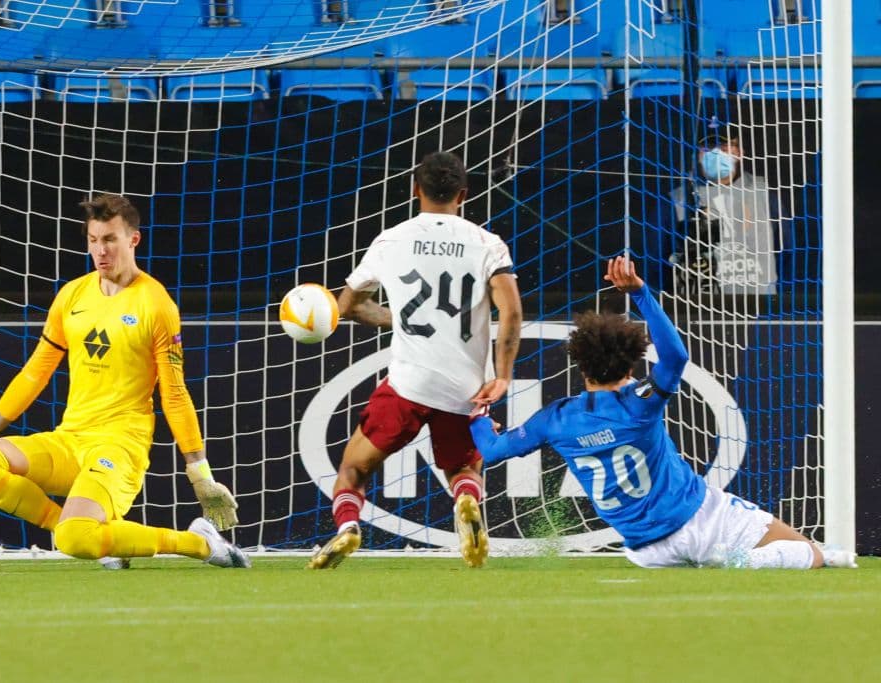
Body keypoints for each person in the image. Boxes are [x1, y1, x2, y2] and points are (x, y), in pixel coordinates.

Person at [470, 255, 857, 570]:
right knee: (810, 553)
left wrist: (477, 418)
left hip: (648, 553)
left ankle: (754, 559)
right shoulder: (640, 403)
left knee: (813, 554)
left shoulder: (555, 419)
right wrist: (639, 292)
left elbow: (493, 451)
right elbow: (676, 356)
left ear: (581, 365)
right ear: (631, 363)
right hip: (702, 518)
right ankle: (744, 560)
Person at [0, 193, 249, 569]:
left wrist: (200, 475)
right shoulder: (72, 295)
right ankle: (91, 534)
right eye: (93, 240)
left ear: (133, 239)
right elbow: (36, 371)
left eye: (110, 240)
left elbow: (175, 393)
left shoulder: (156, 304)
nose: (101, 251)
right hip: (70, 440)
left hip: (119, 447)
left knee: (75, 539)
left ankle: (198, 543)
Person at [307, 151, 523, 569]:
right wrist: (504, 376)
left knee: (353, 468)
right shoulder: (487, 243)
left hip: (407, 385)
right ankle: (465, 500)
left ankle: (347, 528)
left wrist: (403, 317)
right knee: (464, 470)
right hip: (464, 391)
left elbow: (348, 306)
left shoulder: (391, 239)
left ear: (414, 190)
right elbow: (511, 310)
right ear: (463, 194)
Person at [670, 125, 783, 295]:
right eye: (708, 148)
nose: (716, 154)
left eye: (724, 147)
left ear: (739, 152)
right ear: (698, 154)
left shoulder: (764, 194)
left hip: (758, 300)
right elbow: (658, 257)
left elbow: (786, 248)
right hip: (698, 306)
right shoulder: (678, 200)